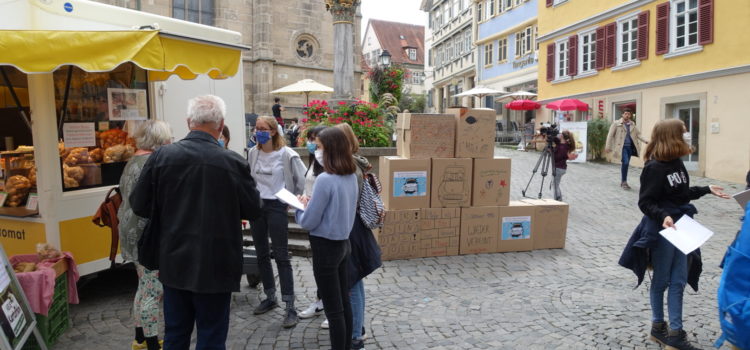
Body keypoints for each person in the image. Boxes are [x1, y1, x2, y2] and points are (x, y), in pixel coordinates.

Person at [130, 95, 263, 350]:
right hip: (217, 262)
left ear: (189, 121)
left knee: (176, 334)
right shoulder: (233, 162)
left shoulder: (162, 156)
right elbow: (254, 209)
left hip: (174, 258)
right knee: (212, 335)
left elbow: (139, 204)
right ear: (221, 124)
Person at [618, 119, 729, 350]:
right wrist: (663, 216)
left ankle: (676, 333)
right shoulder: (654, 167)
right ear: (672, 136)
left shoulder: (677, 163)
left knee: (679, 279)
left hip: (682, 227)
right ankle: (658, 327)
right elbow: (645, 202)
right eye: (684, 133)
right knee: (661, 280)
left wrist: (707, 190)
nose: (687, 136)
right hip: (663, 230)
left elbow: (681, 194)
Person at [295, 127, 359, 350]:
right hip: (343, 243)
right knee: (343, 303)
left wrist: (301, 207)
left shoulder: (325, 179)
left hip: (325, 246)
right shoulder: (349, 175)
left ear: (330, 149)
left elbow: (308, 221)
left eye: (319, 147)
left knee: (333, 309)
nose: (316, 151)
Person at [246, 115, 306, 328]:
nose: (257, 131)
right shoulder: (253, 152)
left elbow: (302, 180)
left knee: (281, 255)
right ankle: (270, 297)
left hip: (277, 206)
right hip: (258, 206)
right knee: (262, 253)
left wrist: (292, 199)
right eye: (256, 128)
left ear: (273, 131)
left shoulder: (286, 154)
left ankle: (290, 306)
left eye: (262, 128)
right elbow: (250, 179)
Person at [117, 120, 172, 350]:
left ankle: (139, 337)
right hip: (146, 234)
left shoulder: (131, 161)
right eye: (169, 138)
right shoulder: (152, 162)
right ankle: (151, 344)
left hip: (129, 230)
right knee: (153, 290)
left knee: (143, 286)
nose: (171, 142)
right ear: (159, 140)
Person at [334, 123, 382, 350]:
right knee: (355, 282)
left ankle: (354, 336)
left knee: (351, 283)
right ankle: (358, 328)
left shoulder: (350, 166)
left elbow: (347, 201)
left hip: (351, 228)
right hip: (356, 227)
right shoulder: (356, 163)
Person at [298, 125, 328, 321]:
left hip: (323, 222)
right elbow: (308, 185)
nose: (311, 143)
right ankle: (320, 301)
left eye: (314, 140)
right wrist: (302, 197)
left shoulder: (328, 165)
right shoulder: (313, 160)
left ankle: (331, 305)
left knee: (328, 267)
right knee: (319, 265)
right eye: (309, 139)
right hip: (312, 217)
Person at [605, 108, 649, 190]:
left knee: (626, 163)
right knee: (625, 163)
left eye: (629, 114)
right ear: (622, 115)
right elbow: (610, 135)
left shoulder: (632, 124)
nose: (627, 115)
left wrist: (646, 141)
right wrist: (608, 146)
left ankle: (623, 181)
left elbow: (638, 135)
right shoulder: (616, 124)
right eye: (625, 114)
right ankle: (624, 181)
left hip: (630, 147)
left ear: (630, 115)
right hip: (622, 147)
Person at [552, 130, 578, 202]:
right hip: (560, 167)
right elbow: (555, 140)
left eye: (560, 134)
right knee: (555, 184)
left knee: (555, 185)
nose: (559, 135)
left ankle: (558, 201)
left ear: (562, 136)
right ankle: (558, 200)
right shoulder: (562, 144)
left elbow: (557, 158)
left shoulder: (563, 147)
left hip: (559, 168)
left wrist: (552, 151)